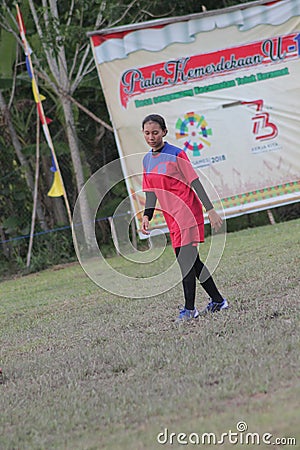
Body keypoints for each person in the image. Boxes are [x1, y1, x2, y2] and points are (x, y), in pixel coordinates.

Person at [141, 114, 228, 322]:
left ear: (164, 132)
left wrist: (210, 209)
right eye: (147, 133)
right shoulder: (146, 159)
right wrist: (147, 215)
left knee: (185, 262)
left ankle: (189, 310)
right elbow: (151, 192)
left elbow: (195, 182)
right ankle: (218, 300)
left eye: (155, 132)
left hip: (187, 211)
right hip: (172, 217)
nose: (151, 137)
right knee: (193, 262)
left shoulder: (177, 154)